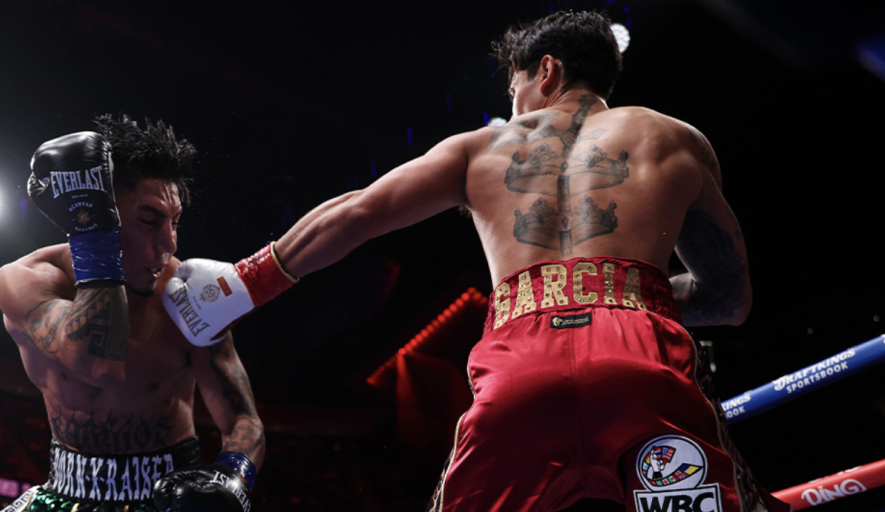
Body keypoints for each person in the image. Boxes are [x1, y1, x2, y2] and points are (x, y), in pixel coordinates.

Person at [162, 10, 790, 512]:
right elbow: (731, 300)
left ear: (546, 71)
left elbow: (356, 212)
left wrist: (244, 283)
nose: (515, 105)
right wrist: (633, 292)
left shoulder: (483, 147)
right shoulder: (673, 137)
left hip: (519, 364)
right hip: (640, 358)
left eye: (514, 89)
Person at [0, 114, 262, 512]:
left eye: (175, 222)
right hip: (63, 489)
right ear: (102, 213)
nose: (169, 243)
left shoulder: (187, 295)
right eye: (149, 221)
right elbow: (98, 365)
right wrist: (92, 232)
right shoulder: (27, 281)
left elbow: (244, 420)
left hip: (165, 495)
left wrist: (231, 476)